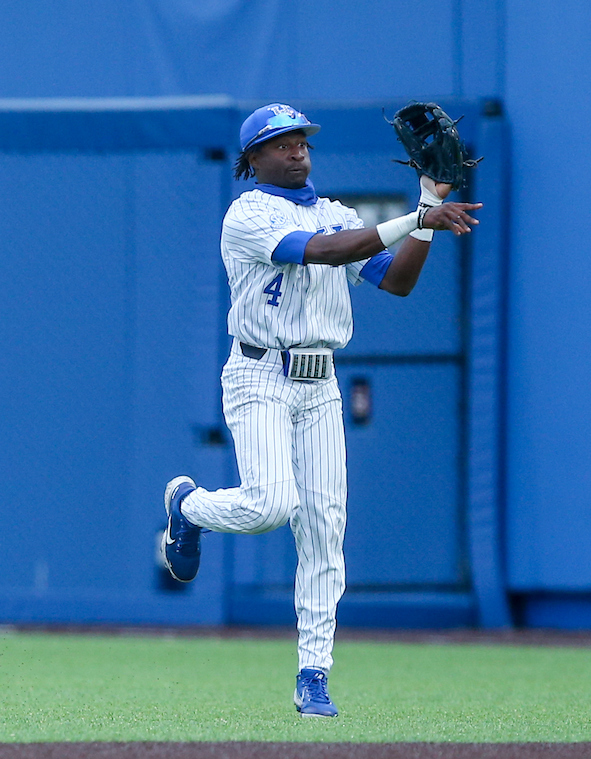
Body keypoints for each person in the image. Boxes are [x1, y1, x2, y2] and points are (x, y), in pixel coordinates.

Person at [158, 103, 482, 717]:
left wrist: (425, 212)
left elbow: (399, 281)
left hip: (320, 384)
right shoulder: (246, 213)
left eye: (302, 139)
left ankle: (314, 675)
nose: (298, 149)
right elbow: (323, 252)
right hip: (259, 373)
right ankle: (189, 505)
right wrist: (415, 215)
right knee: (271, 506)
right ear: (251, 159)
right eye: (281, 142)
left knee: (325, 526)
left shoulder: (336, 211)